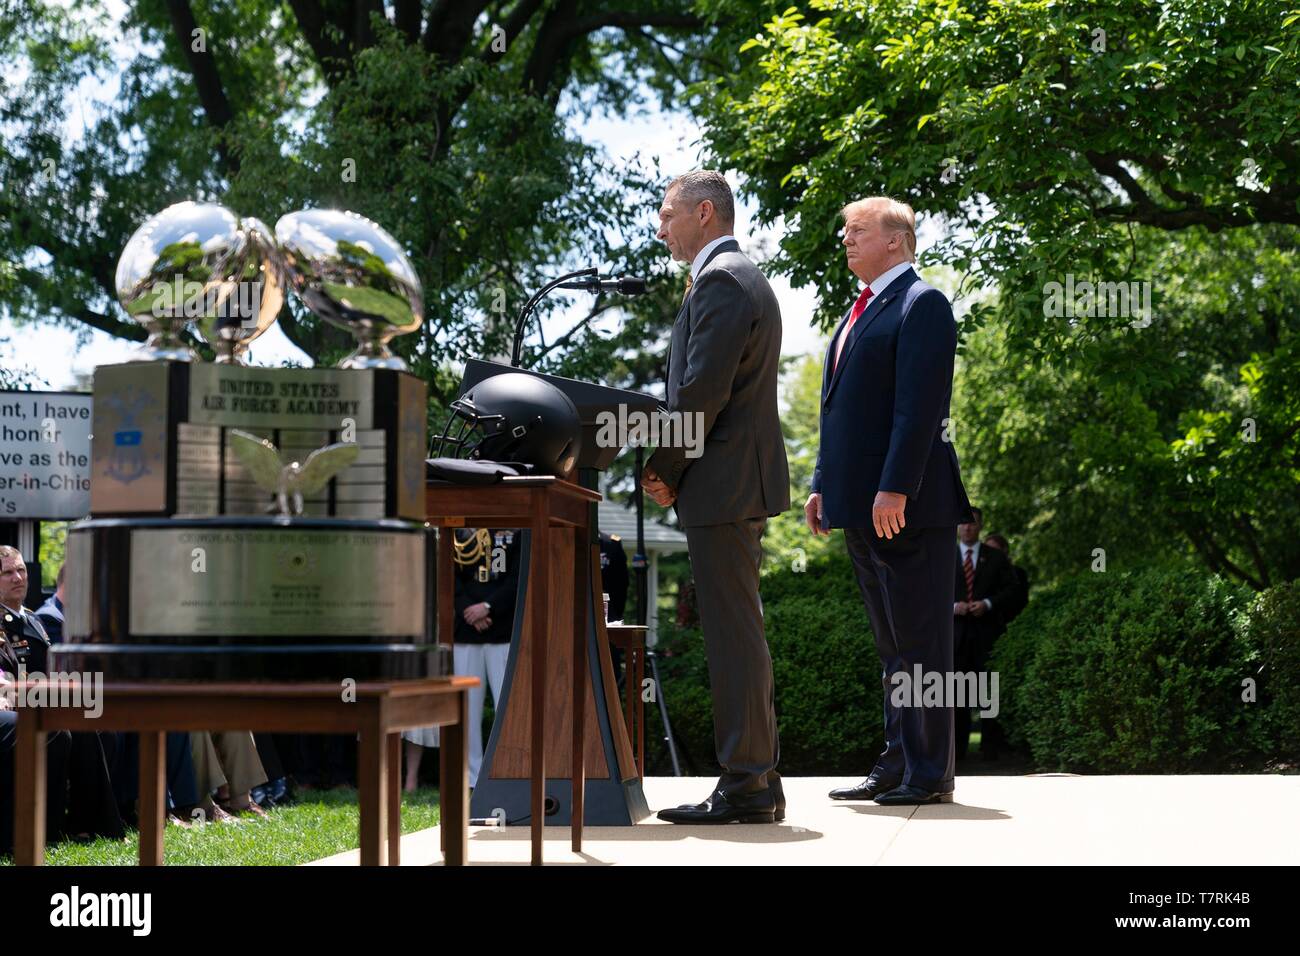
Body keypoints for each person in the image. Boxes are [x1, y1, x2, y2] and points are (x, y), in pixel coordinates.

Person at [807, 197, 974, 806]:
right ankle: (898, 763)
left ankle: (930, 774)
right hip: (857, 506)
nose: (846, 241)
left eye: (857, 232)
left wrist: (895, 486)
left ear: (896, 242)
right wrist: (823, 482)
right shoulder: (856, 313)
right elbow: (837, 414)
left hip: (907, 506)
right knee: (892, 646)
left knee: (923, 643)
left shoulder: (921, 304)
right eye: (845, 232)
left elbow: (920, 408)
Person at [642, 170, 790, 824]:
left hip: (723, 483)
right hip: (729, 483)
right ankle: (755, 781)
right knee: (736, 632)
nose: (659, 227)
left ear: (705, 213)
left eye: (667, 214)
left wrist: (664, 467)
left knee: (733, 636)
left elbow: (701, 393)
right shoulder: (729, 278)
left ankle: (749, 785)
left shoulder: (724, 280)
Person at [403, 528, 520, 792]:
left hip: (502, 630)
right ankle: (471, 777)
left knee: (507, 706)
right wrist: (471, 610)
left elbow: (516, 578)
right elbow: (449, 576)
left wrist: (488, 607)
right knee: (466, 710)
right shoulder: (457, 527)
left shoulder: (517, 528)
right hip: (466, 631)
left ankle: (509, 772)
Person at [983, 533, 1029, 624]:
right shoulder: (982, 575)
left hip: (1013, 623)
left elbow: (1022, 603)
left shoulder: (1019, 573)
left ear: (1005, 550)